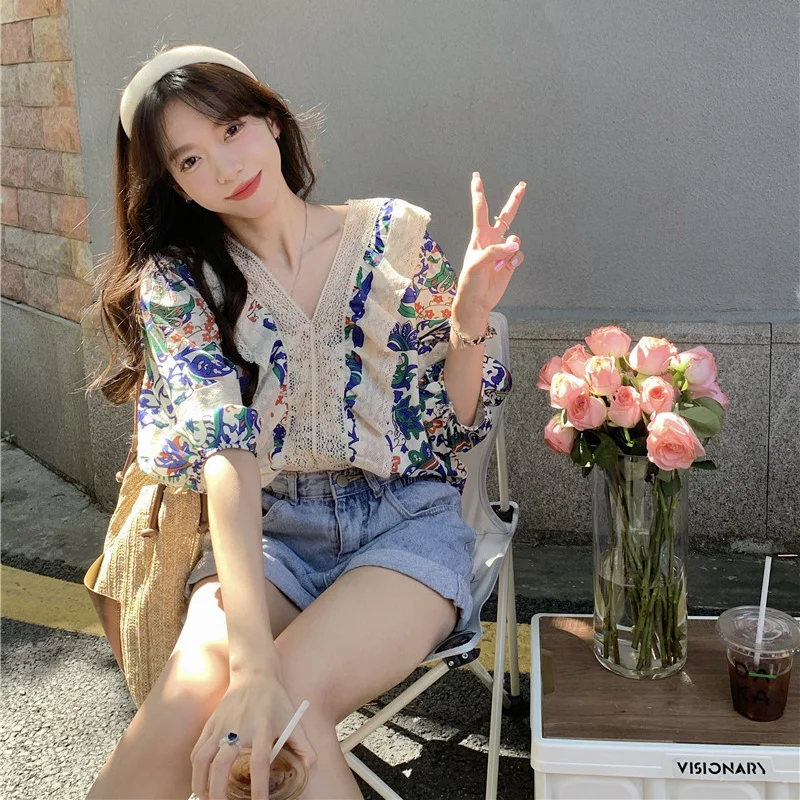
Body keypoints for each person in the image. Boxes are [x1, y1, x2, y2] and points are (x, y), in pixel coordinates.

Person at [88, 43, 525, 800]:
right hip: (270, 536)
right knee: (180, 718)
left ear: (270, 120)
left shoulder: (392, 237)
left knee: (285, 711)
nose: (225, 167)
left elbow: (453, 429)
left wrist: (470, 320)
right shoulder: (180, 281)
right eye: (190, 161)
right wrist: (250, 662)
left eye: (231, 130)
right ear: (174, 186)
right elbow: (226, 455)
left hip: (403, 525)